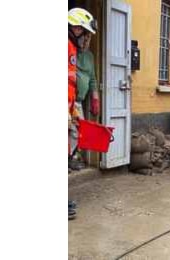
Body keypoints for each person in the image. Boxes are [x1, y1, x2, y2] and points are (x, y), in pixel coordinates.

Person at [68, 7, 97, 220]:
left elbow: (89, 79)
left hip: (72, 105)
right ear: (76, 28)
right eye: (85, 33)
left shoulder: (82, 54)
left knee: (74, 139)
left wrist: (93, 97)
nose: (86, 38)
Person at [69, 29, 100, 169]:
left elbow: (92, 79)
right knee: (72, 130)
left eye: (89, 37)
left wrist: (95, 99)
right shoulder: (70, 48)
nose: (86, 40)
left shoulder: (90, 56)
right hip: (69, 99)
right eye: (85, 37)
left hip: (78, 102)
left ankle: (70, 157)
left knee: (78, 131)